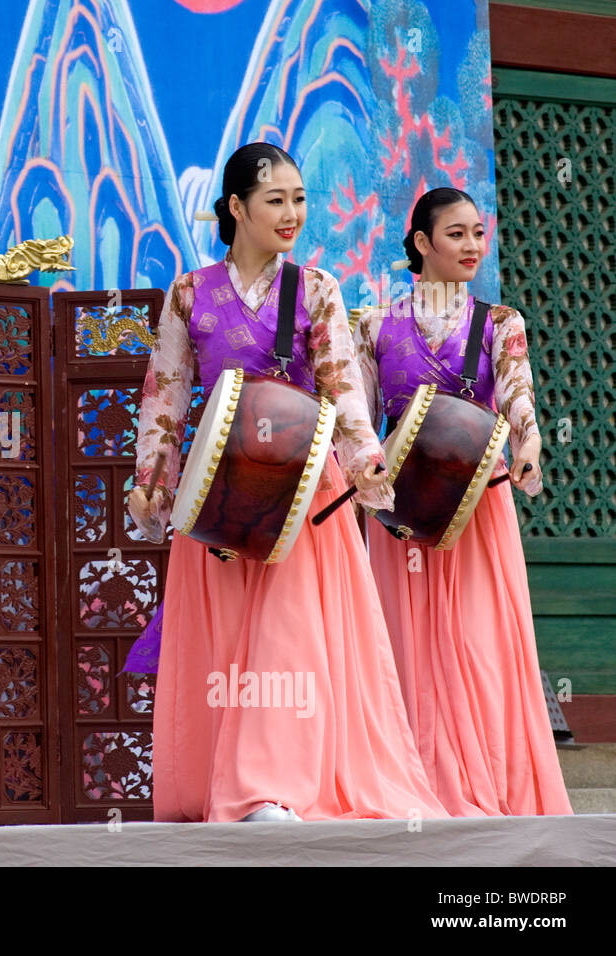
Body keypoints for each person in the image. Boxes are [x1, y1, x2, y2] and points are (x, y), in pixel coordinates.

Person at [127, 143, 446, 823]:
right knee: (222, 637)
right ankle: (218, 784)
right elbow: (168, 393)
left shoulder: (319, 289)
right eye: (276, 199)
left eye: (300, 198)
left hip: (301, 486)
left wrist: (364, 458)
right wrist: (153, 479)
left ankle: (272, 786)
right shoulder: (190, 294)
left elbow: (340, 385)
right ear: (237, 207)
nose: (292, 212)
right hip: (220, 485)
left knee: (287, 634)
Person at [353, 187, 572, 816]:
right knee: (404, 644)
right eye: (456, 234)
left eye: (478, 232)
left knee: (480, 644)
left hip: (478, 504)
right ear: (421, 244)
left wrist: (528, 446)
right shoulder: (374, 326)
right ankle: (414, 781)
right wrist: (368, 480)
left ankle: (490, 780)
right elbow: (364, 423)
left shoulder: (500, 323)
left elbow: (518, 397)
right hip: (401, 510)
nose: (473, 245)